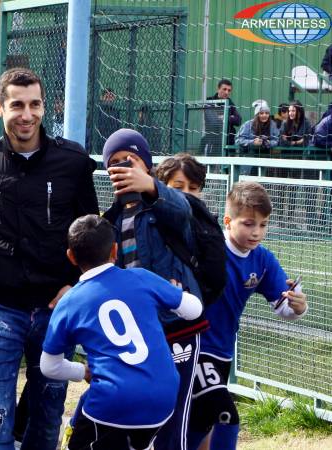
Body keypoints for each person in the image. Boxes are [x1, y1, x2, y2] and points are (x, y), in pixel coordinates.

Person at [0, 68, 99, 450]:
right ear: (0, 108)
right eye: (16, 105)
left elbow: (91, 234)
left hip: (55, 308)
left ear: (43, 107)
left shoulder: (73, 161)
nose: (26, 114)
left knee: (46, 423)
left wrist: (77, 286)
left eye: (34, 105)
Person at [40, 214, 203, 450]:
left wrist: (83, 371)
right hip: (163, 396)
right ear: (115, 251)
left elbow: (49, 366)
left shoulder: (69, 302)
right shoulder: (141, 277)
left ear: (71, 256)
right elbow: (194, 309)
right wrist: (175, 292)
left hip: (112, 400)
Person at [101, 128, 204, 450]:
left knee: (174, 416)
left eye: (129, 160)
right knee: (138, 414)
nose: (122, 168)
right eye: (114, 163)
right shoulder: (112, 219)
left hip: (176, 327)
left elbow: (183, 209)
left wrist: (152, 188)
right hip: (140, 331)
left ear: (146, 165)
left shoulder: (162, 204)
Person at [187, 182, 308, 450]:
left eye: (263, 225)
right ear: (228, 221)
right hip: (191, 347)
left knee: (200, 423)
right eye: (248, 223)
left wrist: (298, 306)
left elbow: (284, 306)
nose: (256, 232)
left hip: (221, 351)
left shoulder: (263, 260)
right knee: (225, 415)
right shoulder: (209, 246)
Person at [202, 79, 242, 152]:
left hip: (228, 141)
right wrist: (230, 118)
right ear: (218, 89)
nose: (227, 92)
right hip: (213, 142)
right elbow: (214, 122)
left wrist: (225, 117)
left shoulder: (230, 102)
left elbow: (238, 120)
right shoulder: (209, 101)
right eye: (224, 89)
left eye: (229, 90)